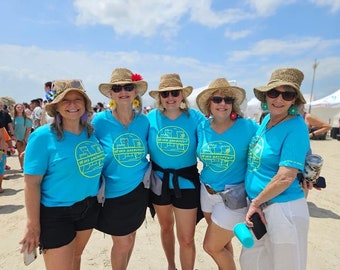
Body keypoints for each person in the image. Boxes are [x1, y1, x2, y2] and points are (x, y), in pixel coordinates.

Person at [20, 79, 105, 270]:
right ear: (56, 106)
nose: (73, 104)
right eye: (65, 100)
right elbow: (31, 184)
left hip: (88, 207)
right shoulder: (42, 136)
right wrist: (32, 225)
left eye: (78, 99)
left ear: (85, 104)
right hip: (56, 213)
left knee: (76, 258)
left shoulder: (91, 133)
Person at [240, 68, 311, 270]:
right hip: (260, 207)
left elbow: (285, 177)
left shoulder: (296, 126)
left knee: (285, 265)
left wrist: (256, 202)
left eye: (287, 94)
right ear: (266, 95)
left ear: (294, 100)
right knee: (252, 263)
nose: (279, 99)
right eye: (274, 93)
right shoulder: (266, 121)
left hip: (283, 209)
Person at [195, 78, 258, 269]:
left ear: (233, 104)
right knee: (222, 243)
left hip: (233, 197)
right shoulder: (202, 127)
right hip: (206, 193)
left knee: (211, 246)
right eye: (217, 99)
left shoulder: (248, 127)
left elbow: (271, 143)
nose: (223, 103)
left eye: (228, 99)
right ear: (209, 104)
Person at [92, 68, 150, 270]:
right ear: (111, 94)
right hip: (112, 194)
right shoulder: (99, 121)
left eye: (128, 87)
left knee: (131, 237)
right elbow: (78, 139)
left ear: (135, 92)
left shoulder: (143, 121)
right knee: (122, 243)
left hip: (139, 190)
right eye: (117, 88)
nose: (123, 91)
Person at [147, 73, 205, 270]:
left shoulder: (195, 117)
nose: (170, 97)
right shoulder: (150, 118)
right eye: (165, 94)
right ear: (159, 97)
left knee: (187, 238)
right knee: (165, 228)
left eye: (175, 93)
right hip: (158, 181)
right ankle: (171, 266)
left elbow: (214, 137)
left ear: (182, 95)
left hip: (187, 181)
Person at [13, 103, 32, 171]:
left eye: (21, 107)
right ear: (15, 109)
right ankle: (22, 167)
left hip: (24, 139)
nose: (20, 108)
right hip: (17, 139)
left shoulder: (26, 119)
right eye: (18, 107)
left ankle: (26, 166)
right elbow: (12, 129)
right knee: (19, 153)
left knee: (25, 153)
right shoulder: (13, 119)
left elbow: (28, 129)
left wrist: (25, 138)